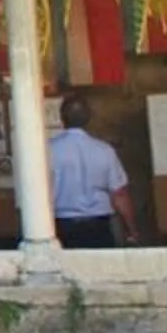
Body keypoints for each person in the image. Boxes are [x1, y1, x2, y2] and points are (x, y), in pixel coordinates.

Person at [45, 94, 137, 249]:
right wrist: (131, 230)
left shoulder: (47, 151)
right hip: (98, 226)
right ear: (89, 118)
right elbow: (119, 194)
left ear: (62, 118)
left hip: (61, 225)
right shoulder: (105, 151)